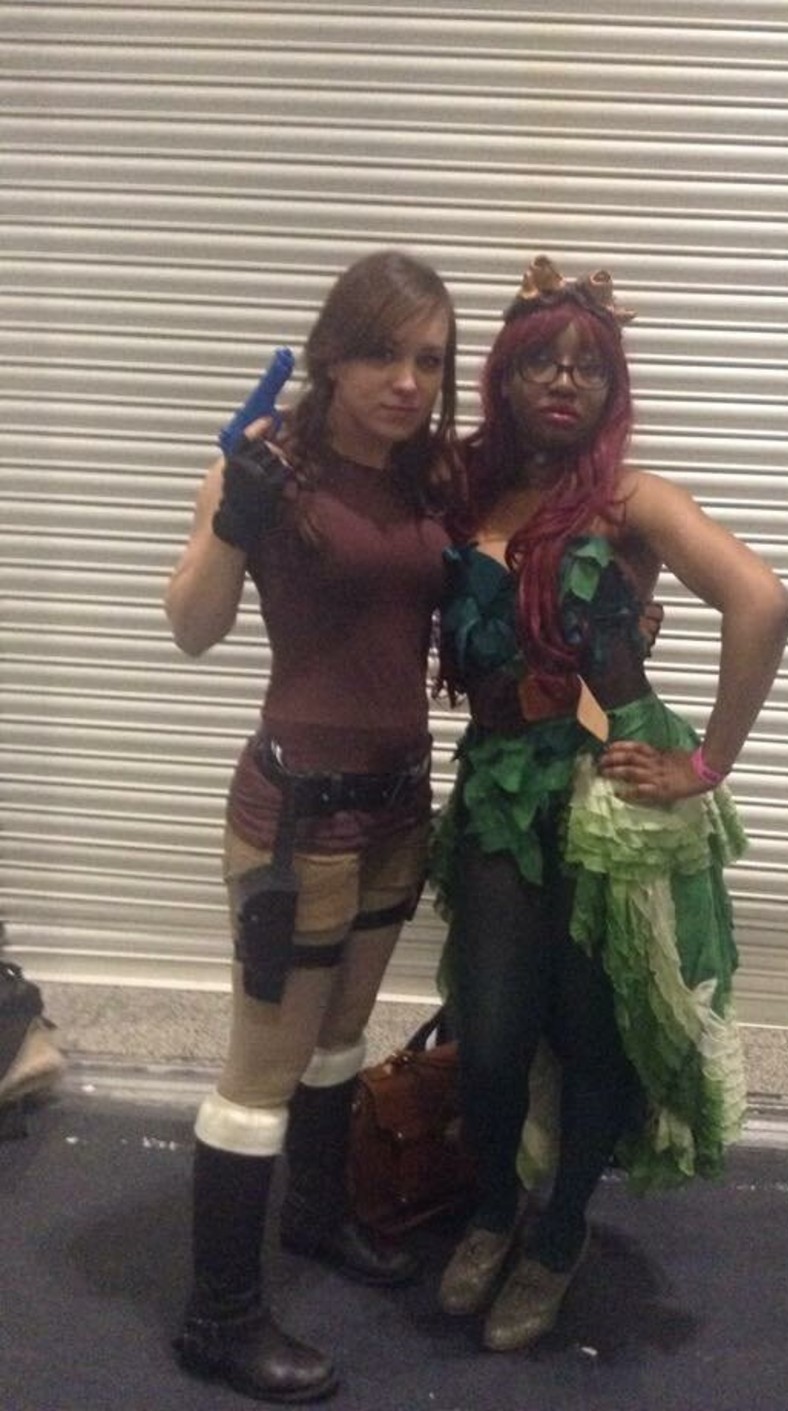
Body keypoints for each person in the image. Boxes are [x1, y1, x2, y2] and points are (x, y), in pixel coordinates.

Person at [431, 255, 788, 1353]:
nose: (564, 380)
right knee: (491, 1034)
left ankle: (559, 1234)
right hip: (499, 787)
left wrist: (706, 764)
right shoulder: (462, 487)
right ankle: (495, 1206)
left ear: (612, 387)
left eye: (588, 366)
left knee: (593, 1031)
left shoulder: (631, 501)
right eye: (542, 360)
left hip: (609, 794)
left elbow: (763, 602)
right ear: (502, 375)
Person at [164, 249, 459, 1403]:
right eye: (382, 353)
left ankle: (319, 1216)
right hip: (295, 819)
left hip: (396, 806)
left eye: (429, 359)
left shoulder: (428, 479)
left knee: (343, 1034)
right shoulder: (265, 469)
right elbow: (192, 627)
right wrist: (232, 519)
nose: (406, 381)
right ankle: (218, 1317)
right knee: (262, 1070)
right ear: (331, 354)